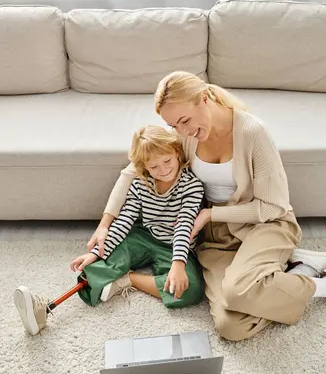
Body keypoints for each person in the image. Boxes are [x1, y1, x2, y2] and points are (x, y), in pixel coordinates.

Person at [86, 71, 326, 342]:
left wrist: (211, 214)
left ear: (203, 98)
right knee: (231, 327)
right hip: (215, 238)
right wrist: (105, 224)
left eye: (185, 121)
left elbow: (273, 206)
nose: (182, 131)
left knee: (237, 291)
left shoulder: (253, 133)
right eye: (173, 125)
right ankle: (294, 270)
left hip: (265, 225)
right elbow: (132, 172)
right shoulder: (184, 133)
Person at [14, 125, 205, 335]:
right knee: (104, 257)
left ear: (177, 153)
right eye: (154, 166)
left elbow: (185, 226)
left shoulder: (192, 186)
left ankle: (126, 279)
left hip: (175, 246)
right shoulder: (141, 184)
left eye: (167, 161)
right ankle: (43, 309)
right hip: (143, 236)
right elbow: (125, 220)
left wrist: (178, 264)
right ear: (144, 167)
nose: (163, 170)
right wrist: (95, 253)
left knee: (191, 289)